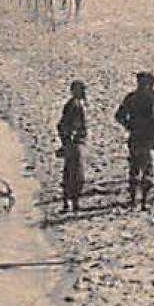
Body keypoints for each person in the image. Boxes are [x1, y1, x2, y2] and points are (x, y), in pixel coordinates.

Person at [115, 72, 154, 209]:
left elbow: (119, 116)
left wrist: (129, 126)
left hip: (135, 136)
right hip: (150, 137)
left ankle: (134, 200)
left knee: (135, 169)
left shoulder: (131, 97)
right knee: (149, 170)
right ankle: (144, 201)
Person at [57, 80, 88, 212]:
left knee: (69, 172)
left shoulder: (73, 104)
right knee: (76, 174)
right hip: (75, 143)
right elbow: (65, 125)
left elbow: (60, 125)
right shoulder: (76, 105)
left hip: (72, 142)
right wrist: (69, 138)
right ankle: (74, 203)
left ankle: (67, 203)